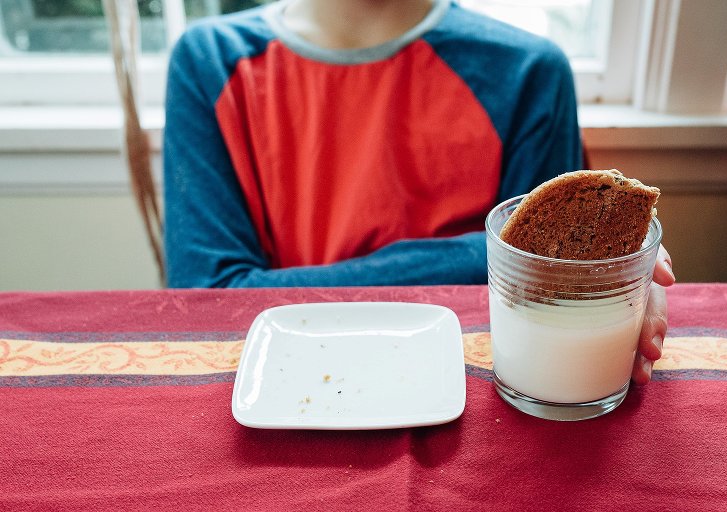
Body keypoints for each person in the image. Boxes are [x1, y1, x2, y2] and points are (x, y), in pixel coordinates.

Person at [162, 0, 675, 383]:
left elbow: (556, 283)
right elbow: (210, 300)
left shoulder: (528, 72)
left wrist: (612, 271)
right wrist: (484, 255)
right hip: (292, 379)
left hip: (480, 389)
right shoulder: (210, 62)